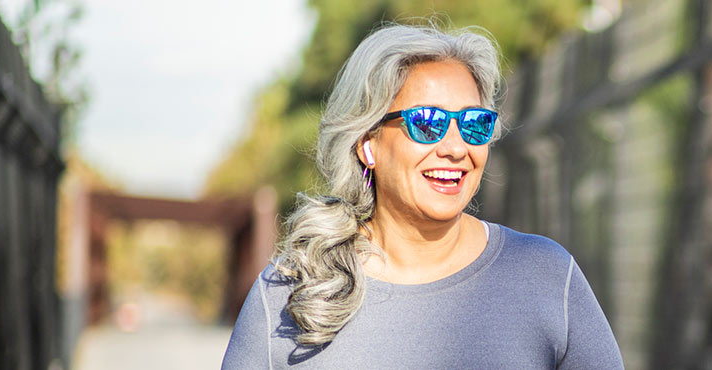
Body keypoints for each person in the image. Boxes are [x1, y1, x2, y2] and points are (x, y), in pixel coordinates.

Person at [221, 23, 623, 369]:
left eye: (474, 123)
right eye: (427, 123)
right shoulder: (291, 292)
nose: (455, 147)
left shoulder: (546, 275)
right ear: (368, 144)